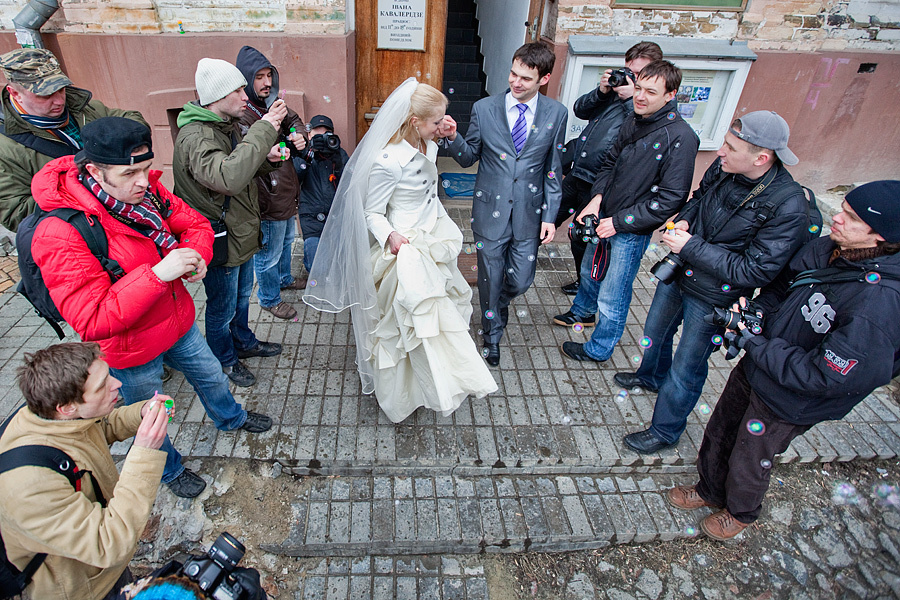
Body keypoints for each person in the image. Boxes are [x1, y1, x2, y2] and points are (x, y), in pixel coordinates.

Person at [30, 117, 272, 498]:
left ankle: (230, 418)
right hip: (131, 350)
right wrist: (159, 274)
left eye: (145, 168)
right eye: (130, 173)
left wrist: (196, 254)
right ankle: (169, 470)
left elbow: (196, 224)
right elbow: (91, 318)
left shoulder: (148, 194)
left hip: (177, 324)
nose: (144, 180)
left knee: (211, 373)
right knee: (149, 414)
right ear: (94, 170)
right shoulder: (60, 231)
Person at [666, 180, 900, 541]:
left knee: (752, 454)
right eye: (842, 209)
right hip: (761, 362)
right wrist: (756, 313)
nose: (835, 218)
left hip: (793, 397)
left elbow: (825, 375)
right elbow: (784, 285)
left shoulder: (878, 306)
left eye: (850, 218)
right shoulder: (830, 248)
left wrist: (756, 344)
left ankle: (741, 511)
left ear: (880, 238)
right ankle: (709, 489)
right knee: (721, 428)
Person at [304, 79, 497, 423]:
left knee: (439, 316)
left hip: (433, 238)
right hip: (404, 249)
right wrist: (389, 234)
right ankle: (400, 396)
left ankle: (430, 383)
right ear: (414, 122)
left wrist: (445, 136)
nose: (444, 125)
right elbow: (371, 212)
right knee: (402, 327)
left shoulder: (430, 145)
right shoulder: (388, 161)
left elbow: (430, 191)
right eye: (437, 121)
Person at [619, 111, 812, 454]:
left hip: (714, 299)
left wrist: (690, 246)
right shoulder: (725, 168)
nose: (720, 151)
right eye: (724, 142)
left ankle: (665, 430)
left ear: (761, 158)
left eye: (730, 147)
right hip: (680, 272)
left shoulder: (789, 206)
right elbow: (698, 199)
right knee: (655, 332)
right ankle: (649, 376)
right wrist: (683, 222)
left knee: (686, 367)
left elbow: (755, 271)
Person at [555, 60, 700, 363]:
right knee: (589, 273)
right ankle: (582, 312)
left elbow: (671, 199)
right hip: (604, 216)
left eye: (651, 91)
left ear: (670, 95)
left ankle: (599, 348)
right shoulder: (634, 119)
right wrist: (596, 199)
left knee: (613, 291)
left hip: (630, 230)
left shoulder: (681, 138)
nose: (641, 96)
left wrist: (619, 223)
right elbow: (609, 163)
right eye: (639, 88)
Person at [0, 342, 169, 600]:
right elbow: (109, 543)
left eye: (109, 374)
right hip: (83, 590)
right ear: (67, 407)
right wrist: (145, 452)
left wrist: (140, 413)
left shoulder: (49, 416)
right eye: (102, 386)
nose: (117, 384)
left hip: (103, 570)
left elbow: (94, 429)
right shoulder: (29, 487)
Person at [442, 42, 568, 366]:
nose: (515, 82)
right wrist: (454, 137)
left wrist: (551, 216)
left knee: (520, 280)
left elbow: (553, 169)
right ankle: (491, 334)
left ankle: (497, 306)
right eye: (513, 73)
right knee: (490, 277)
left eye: (525, 78)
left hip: (529, 212)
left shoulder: (557, 114)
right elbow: (469, 157)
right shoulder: (485, 109)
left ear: (544, 78)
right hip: (489, 213)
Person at [173, 58, 287, 387]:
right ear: (217, 96)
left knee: (239, 300)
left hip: (239, 233)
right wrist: (265, 128)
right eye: (237, 90)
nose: (245, 96)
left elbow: (239, 166)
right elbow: (228, 178)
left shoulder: (224, 125)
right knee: (221, 308)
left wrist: (264, 161)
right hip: (218, 239)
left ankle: (244, 343)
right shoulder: (197, 137)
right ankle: (224, 360)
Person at [0, 47, 146, 234]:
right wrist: (87, 185)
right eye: (45, 95)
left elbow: (133, 120)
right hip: (81, 237)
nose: (60, 101)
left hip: (125, 217)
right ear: (15, 93)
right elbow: (17, 213)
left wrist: (114, 145)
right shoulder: (5, 148)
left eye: (61, 89)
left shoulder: (83, 108)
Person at [557, 41, 663, 296]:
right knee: (544, 215)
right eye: (628, 71)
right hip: (579, 170)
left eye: (637, 74)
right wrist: (603, 91)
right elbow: (580, 110)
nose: (630, 78)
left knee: (582, 238)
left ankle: (585, 286)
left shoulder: (645, 103)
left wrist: (630, 98)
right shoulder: (616, 92)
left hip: (600, 182)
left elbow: (639, 131)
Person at [236, 45, 307, 321]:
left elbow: (294, 122)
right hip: (267, 196)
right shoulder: (243, 113)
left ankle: (284, 278)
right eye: (259, 77)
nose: (267, 83)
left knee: (288, 239)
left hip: (285, 191)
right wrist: (269, 136)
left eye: (269, 76)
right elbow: (246, 152)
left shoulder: (272, 102)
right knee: (268, 253)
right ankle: (269, 298)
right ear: (246, 79)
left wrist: (300, 136)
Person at [295, 114, 349, 273]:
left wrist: (337, 161)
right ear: (309, 134)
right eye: (317, 134)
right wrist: (309, 153)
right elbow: (296, 177)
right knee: (316, 266)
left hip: (336, 216)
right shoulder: (303, 152)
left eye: (325, 133)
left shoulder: (339, 153)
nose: (321, 138)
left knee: (340, 266)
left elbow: (349, 182)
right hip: (312, 216)